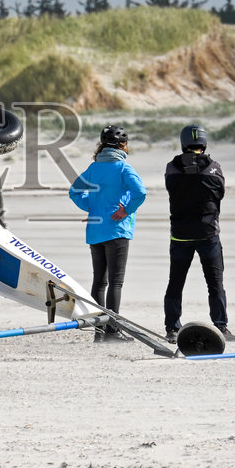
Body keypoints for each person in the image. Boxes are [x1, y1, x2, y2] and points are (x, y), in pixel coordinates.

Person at [69, 124, 146, 340]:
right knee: (115, 282)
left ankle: (99, 331)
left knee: (99, 282)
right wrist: (126, 210)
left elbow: (74, 192)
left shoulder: (93, 168)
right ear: (123, 145)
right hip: (117, 230)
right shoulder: (123, 168)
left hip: (95, 230)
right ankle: (113, 330)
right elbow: (140, 192)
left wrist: (91, 207)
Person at [162, 124, 234, 343]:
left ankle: (172, 328)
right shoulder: (213, 167)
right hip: (207, 233)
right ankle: (220, 326)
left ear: (183, 143)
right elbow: (220, 193)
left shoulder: (172, 168)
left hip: (180, 234)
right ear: (204, 143)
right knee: (215, 283)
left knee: (176, 282)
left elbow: (171, 188)